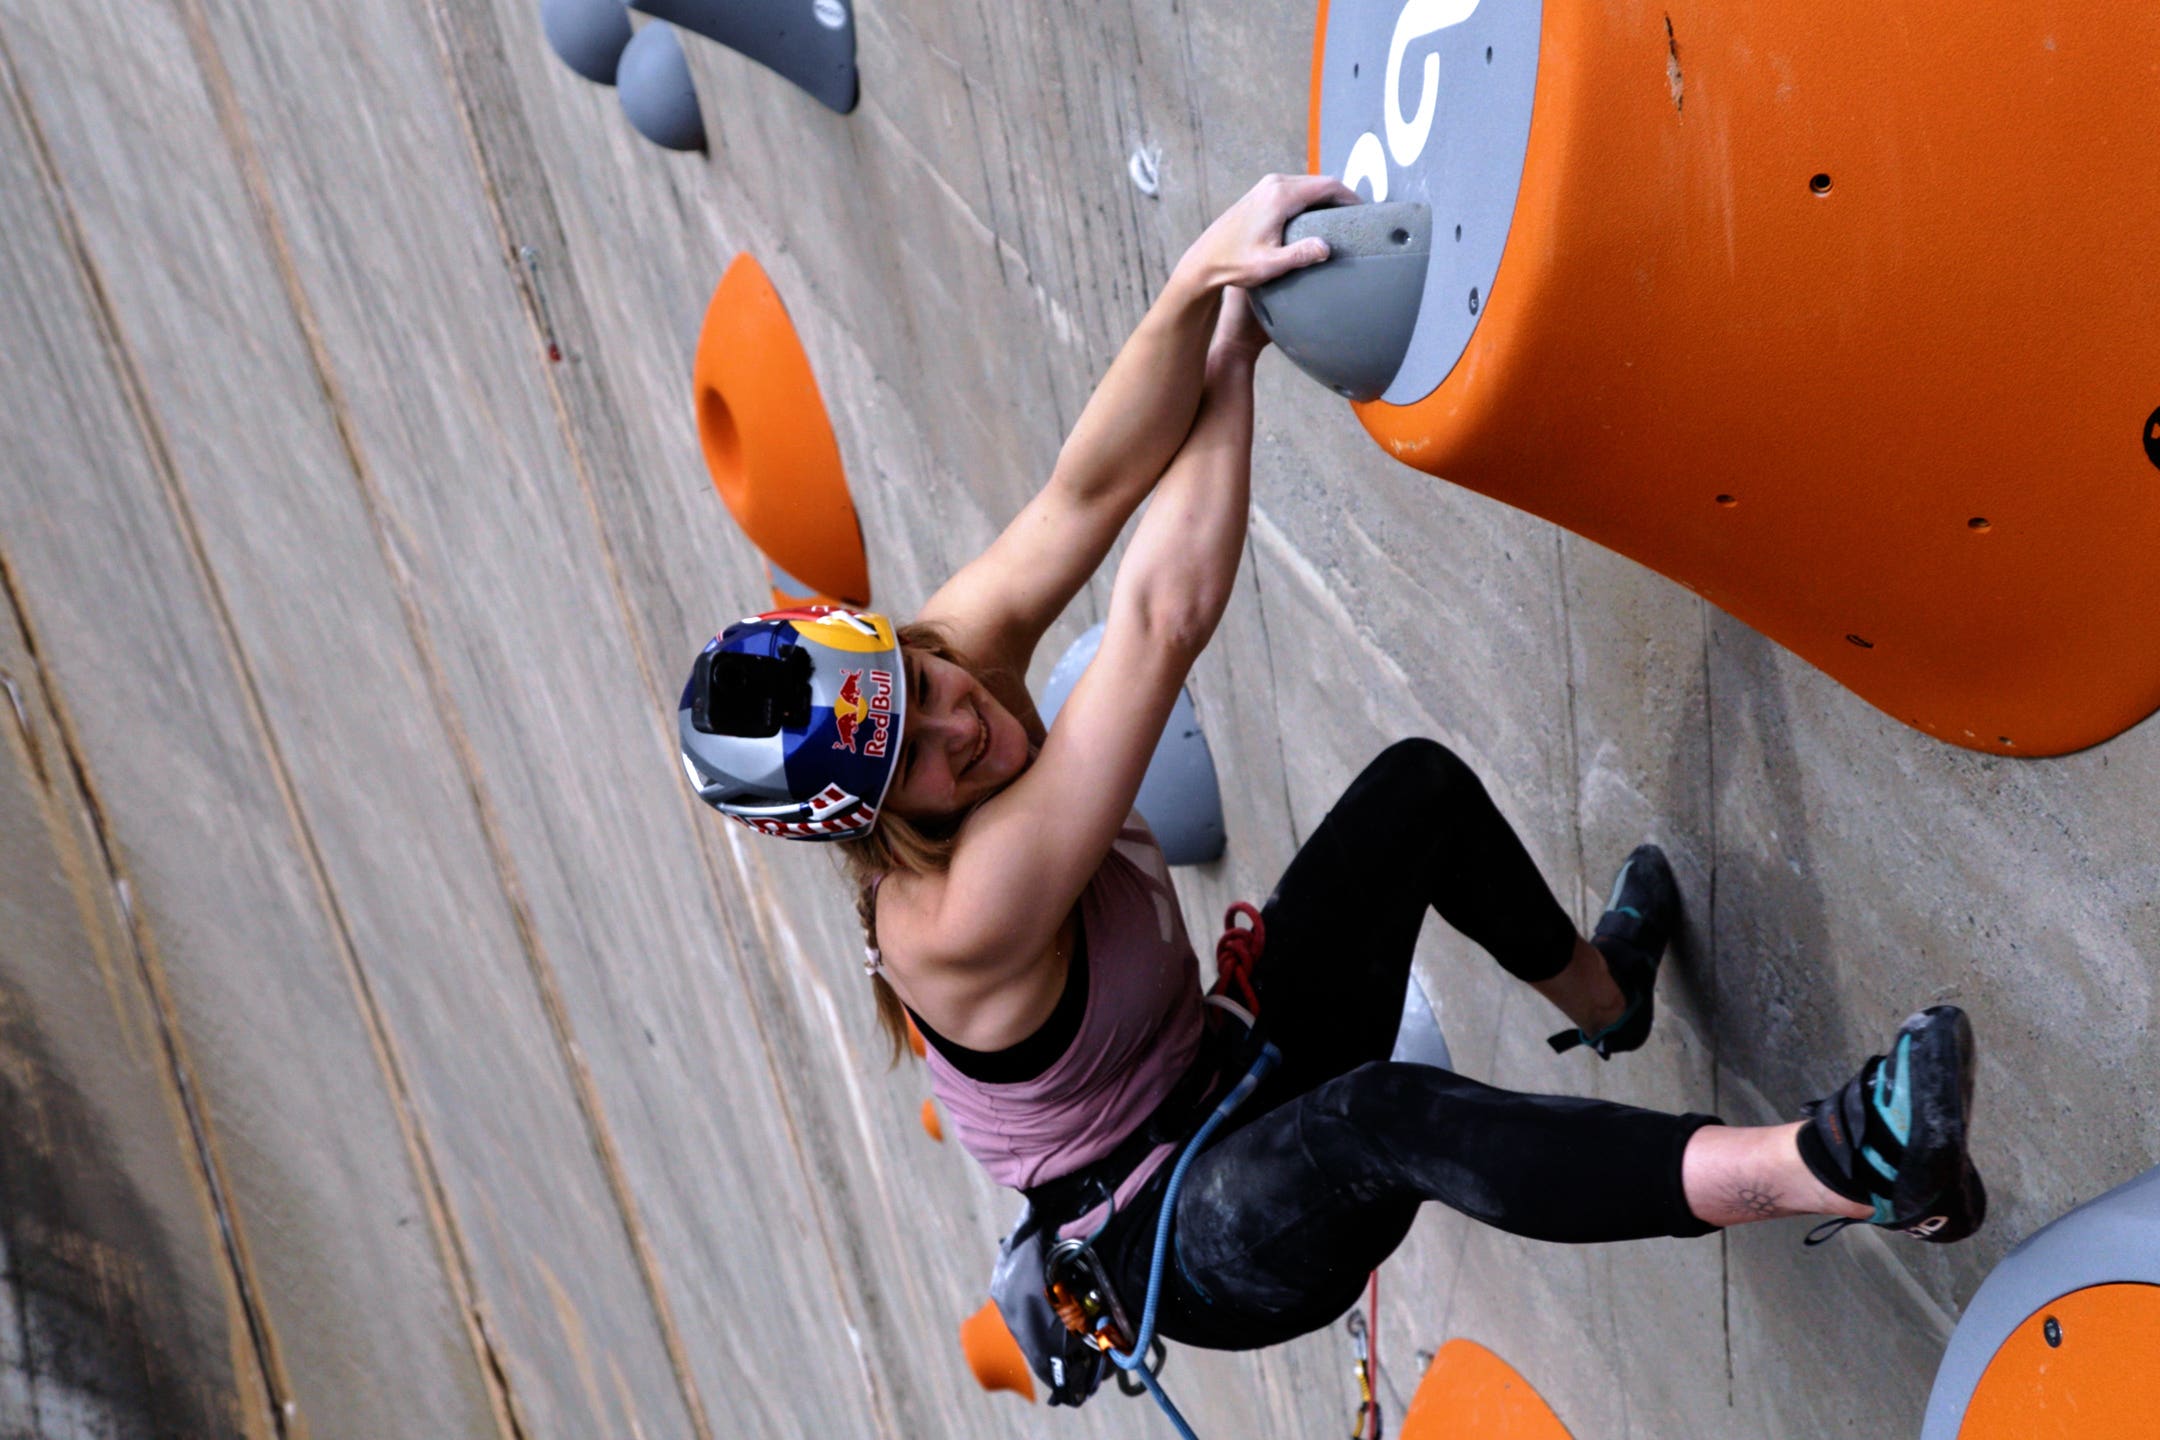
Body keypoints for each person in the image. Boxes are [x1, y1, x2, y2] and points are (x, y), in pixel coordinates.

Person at [676, 175, 1985, 1379]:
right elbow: (1158, 619)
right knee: (1382, 1120)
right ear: (882, 824)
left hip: (1230, 1061)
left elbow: (1087, 491)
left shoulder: (931, 675)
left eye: (927, 686)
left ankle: (1606, 995)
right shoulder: (965, 915)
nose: (962, 720)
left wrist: (1200, 291)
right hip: (1202, 1236)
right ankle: (1838, 1166)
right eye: (921, 761)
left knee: (1414, 792)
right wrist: (1235, 365)